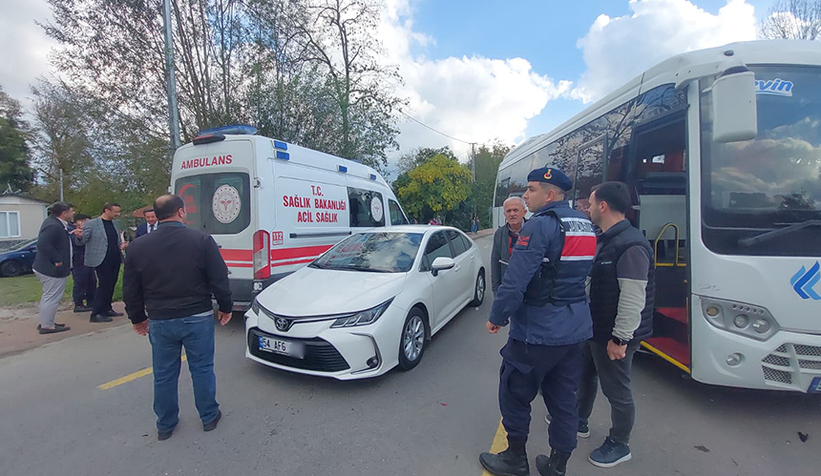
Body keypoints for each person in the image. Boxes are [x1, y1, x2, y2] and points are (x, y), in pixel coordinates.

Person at [479, 167, 597, 476]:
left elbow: (516, 280)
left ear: (551, 194)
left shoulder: (539, 227)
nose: (527, 195)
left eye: (531, 190)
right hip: (575, 331)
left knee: (514, 391)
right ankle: (557, 464)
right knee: (563, 399)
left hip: (537, 332)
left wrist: (497, 317)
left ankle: (515, 458)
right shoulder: (585, 224)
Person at [123, 194, 233, 441]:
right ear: (181, 212)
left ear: (156, 216)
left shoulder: (138, 247)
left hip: (160, 320)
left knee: (163, 373)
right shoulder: (202, 241)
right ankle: (208, 416)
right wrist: (226, 306)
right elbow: (219, 278)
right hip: (197, 316)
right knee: (202, 368)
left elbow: (130, 288)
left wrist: (137, 318)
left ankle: (165, 424)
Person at [575, 181, 654, 468]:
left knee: (617, 391)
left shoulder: (631, 244)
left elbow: (633, 297)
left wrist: (620, 339)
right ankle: (578, 420)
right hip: (595, 329)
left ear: (603, 206)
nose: (590, 208)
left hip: (614, 335)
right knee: (585, 376)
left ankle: (619, 444)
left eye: (592, 203)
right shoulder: (606, 238)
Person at [32, 202, 79, 334]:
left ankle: (45, 321)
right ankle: (47, 326)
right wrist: (57, 260)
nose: (73, 213)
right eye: (71, 211)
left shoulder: (55, 223)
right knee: (52, 297)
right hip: (51, 269)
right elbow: (43, 244)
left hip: (47, 267)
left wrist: (71, 233)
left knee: (48, 296)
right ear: (64, 213)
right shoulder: (54, 226)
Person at [77, 202, 128, 323]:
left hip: (114, 257)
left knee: (111, 284)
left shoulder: (114, 223)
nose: (117, 214)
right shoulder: (92, 223)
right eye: (115, 211)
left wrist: (122, 245)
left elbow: (114, 239)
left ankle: (107, 308)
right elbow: (83, 240)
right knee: (104, 285)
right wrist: (79, 236)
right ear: (106, 210)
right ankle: (96, 313)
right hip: (101, 259)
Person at [491, 197, 527, 295]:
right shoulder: (500, 234)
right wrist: (496, 290)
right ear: (505, 215)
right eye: (508, 211)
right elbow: (495, 262)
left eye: (515, 210)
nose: (512, 214)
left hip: (530, 289)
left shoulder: (533, 230)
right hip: (508, 287)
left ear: (524, 212)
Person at [70, 214, 95, 313]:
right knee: (80, 282)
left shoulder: (87, 232)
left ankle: (91, 301)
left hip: (88, 260)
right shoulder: (72, 232)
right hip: (78, 261)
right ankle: (78, 303)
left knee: (92, 281)